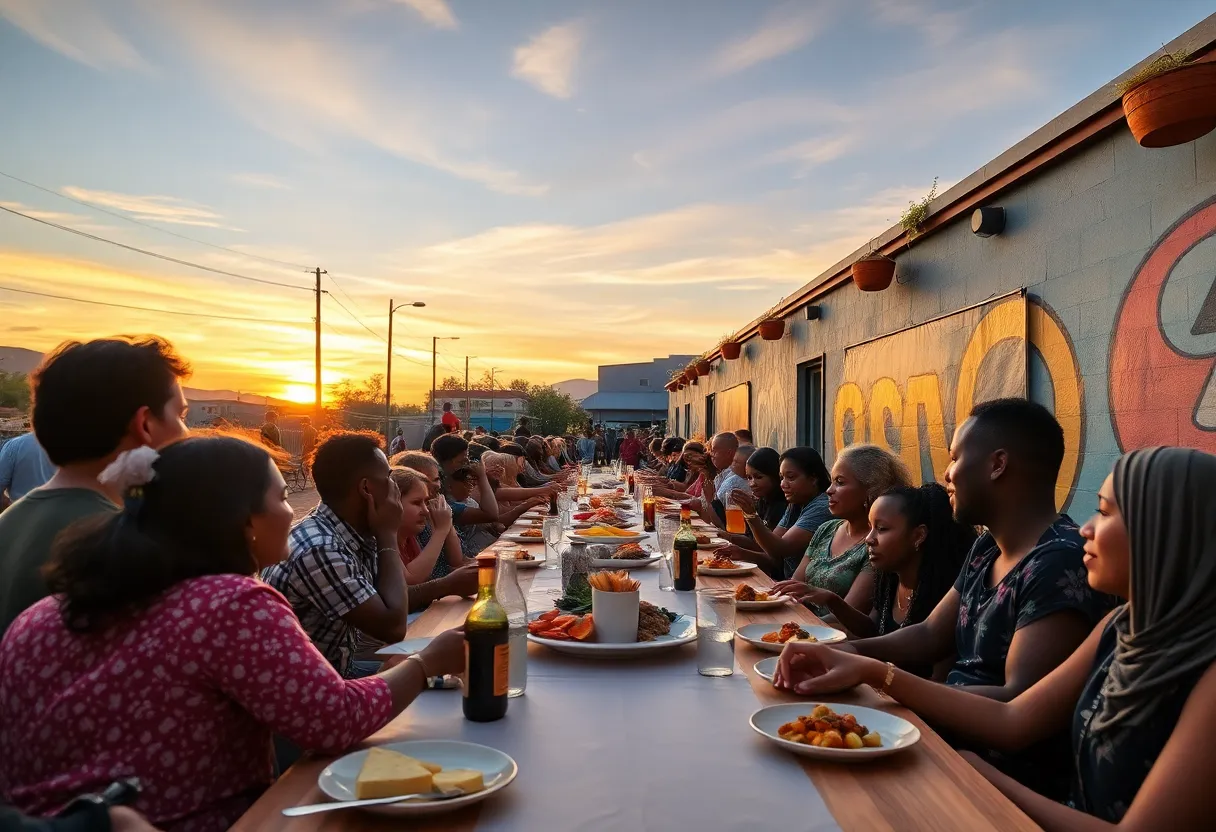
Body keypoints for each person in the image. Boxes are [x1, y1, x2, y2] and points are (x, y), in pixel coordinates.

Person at [0, 435, 465, 830]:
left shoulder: (42, 614)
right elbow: (334, 720)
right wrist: (427, 663)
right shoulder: (231, 603)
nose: (291, 513)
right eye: (282, 497)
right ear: (244, 520)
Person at [776, 446, 1216, 830]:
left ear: (1167, 531)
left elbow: (1014, 713)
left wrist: (974, 772)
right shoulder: (1121, 626)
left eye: (1103, 512)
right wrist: (865, 665)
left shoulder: (1204, 672)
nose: (1086, 528)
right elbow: (1010, 714)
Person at [788, 399, 1115, 798]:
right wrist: (847, 651)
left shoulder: (1059, 562)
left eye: (956, 457)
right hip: (940, 740)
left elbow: (1016, 704)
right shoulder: (986, 549)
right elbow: (928, 635)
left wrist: (877, 674)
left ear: (997, 465)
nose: (947, 474)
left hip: (993, 781)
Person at [0, 337, 190, 636]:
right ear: (145, 424)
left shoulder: (9, 523)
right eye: (181, 415)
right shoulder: (128, 546)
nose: (186, 433)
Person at [262, 431, 408, 678]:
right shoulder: (320, 548)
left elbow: (383, 597)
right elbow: (393, 627)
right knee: (423, 674)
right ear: (366, 488)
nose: (394, 489)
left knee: (432, 666)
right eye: (388, 478)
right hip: (307, 685)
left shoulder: (343, 529)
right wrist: (388, 534)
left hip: (334, 669)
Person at [802, 483, 973, 675]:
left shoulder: (945, 595)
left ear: (918, 535)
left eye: (881, 529)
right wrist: (831, 600)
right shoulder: (890, 578)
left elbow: (938, 682)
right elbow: (872, 628)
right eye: (870, 528)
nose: (869, 538)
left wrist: (853, 653)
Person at [773, 444, 910, 618]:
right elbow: (793, 587)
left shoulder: (876, 544)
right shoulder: (826, 529)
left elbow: (846, 619)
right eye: (831, 482)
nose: (829, 491)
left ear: (870, 490)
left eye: (840, 482)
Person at [727, 447, 832, 579]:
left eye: (791, 478)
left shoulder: (822, 506)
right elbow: (771, 547)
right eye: (782, 478)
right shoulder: (795, 503)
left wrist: (751, 515)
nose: (783, 484)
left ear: (813, 478)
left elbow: (780, 549)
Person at [714, 447, 788, 577]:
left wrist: (740, 550)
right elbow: (751, 539)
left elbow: (769, 553)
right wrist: (726, 536)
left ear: (775, 476)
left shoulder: (783, 506)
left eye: (758, 477)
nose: (752, 483)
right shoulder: (762, 502)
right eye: (748, 478)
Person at [0, 431, 55, 506]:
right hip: (61, 511)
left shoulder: (14, 446)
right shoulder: (72, 446)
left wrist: (8, 505)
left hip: (21, 512)